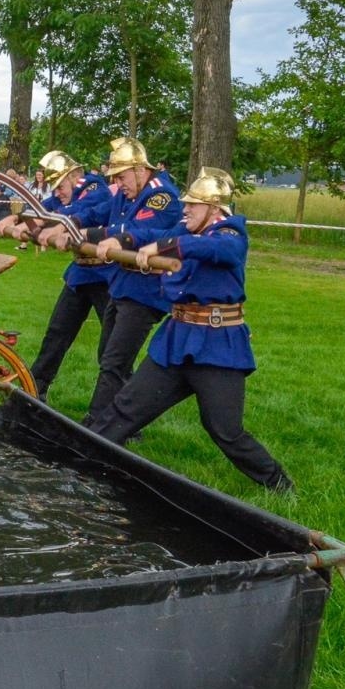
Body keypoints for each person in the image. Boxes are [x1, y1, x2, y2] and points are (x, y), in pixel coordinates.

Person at [90, 169, 293, 492]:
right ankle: (83, 461)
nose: (185, 211)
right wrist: (123, 240)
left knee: (224, 429)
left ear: (214, 210)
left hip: (216, 347)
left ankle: (279, 484)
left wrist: (165, 246)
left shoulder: (231, 235)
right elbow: (156, 232)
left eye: (193, 206)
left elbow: (211, 250)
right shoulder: (186, 227)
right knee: (125, 408)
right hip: (175, 340)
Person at [79, 137, 184, 424]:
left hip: (145, 290)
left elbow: (140, 230)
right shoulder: (126, 193)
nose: (118, 183)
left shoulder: (162, 196)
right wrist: (64, 223)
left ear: (140, 170)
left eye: (122, 176)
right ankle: (128, 422)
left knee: (114, 362)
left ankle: (96, 425)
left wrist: (100, 234)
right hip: (122, 285)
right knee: (110, 357)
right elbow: (95, 214)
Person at [0, 151, 113, 403]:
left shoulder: (94, 186)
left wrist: (52, 226)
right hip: (81, 273)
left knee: (114, 349)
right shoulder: (66, 193)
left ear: (74, 176)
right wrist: (16, 217)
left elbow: (79, 212)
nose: (57, 192)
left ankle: (121, 412)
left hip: (107, 278)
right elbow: (44, 207)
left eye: (60, 185)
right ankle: (34, 392)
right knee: (57, 333)